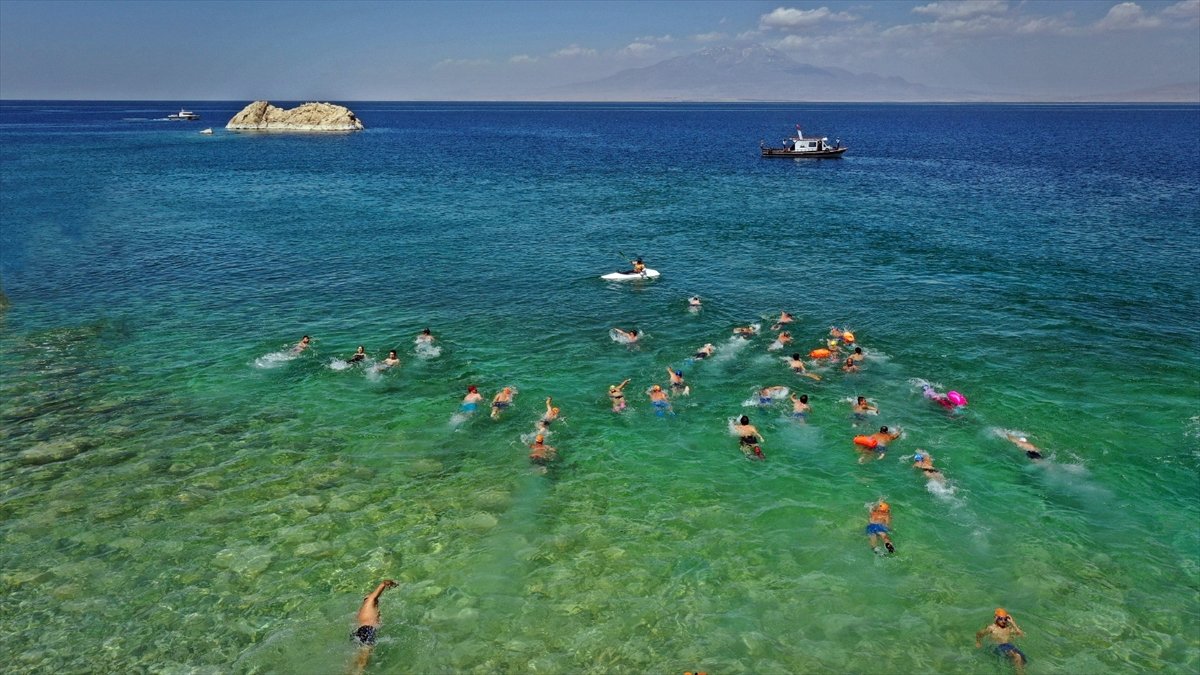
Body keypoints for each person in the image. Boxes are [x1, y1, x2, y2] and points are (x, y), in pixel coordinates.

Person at [350, 579, 398, 675]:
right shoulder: (371, 599)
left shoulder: (361, 610)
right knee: (363, 662)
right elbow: (384, 582)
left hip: (358, 631)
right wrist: (394, 583)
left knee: (355, 659)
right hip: (367, 630)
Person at [976, 608, 1028, 674]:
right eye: (1000, 618)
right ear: (996, 618)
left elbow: (1022, 635)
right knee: (1017, 657)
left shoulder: (1009, 628)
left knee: (1022, 660)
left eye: (1005, 619)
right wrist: (978, 642)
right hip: (998, 646)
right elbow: (979, 634)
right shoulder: (991, 628)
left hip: (1009, 646)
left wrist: (1013, 623)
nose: (1003, 621)